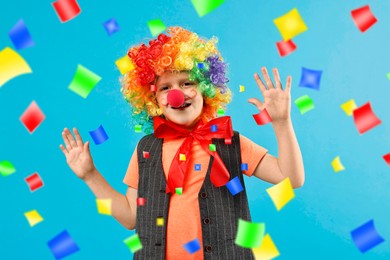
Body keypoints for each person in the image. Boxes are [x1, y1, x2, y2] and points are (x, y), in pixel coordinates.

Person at [59, 26, 304, 260]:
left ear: (207, 88)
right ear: (153, 98)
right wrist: (90, 175)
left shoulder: (229, 140)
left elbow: (291, 179)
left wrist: (282, 122)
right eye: (165, 87)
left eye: (187, 83)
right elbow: (130, 217)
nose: (177, 94)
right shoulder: (146, 149)